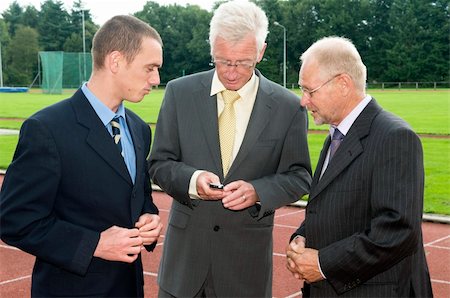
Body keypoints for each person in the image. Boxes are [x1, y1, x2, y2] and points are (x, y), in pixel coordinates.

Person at [148, 1, 312, 296]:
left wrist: (259, 191)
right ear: (212, 49)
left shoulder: (288, 107)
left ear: (260, 52)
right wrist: (192, 180)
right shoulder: (179, 93)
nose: (232, 72)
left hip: (245, 268)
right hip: (184, 267)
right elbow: (159, 163)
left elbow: (299, 176)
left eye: (244, 62)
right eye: (223, 61)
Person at [0, 15, 163, 297]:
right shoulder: (47, 129)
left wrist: (149, 217)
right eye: (150, 68)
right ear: (115, 61)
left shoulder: (138, 128)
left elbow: (140, 196)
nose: (156, 79)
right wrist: (95, 244)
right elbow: (15, 219)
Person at [286, 36, 433, 297]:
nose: (303, 101)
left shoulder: (395, 137)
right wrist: (301, 237)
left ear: (343, 84)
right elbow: (330, 206)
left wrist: (322, 264)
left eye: (310, 91)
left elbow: (397, 230)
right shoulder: (337, 134)